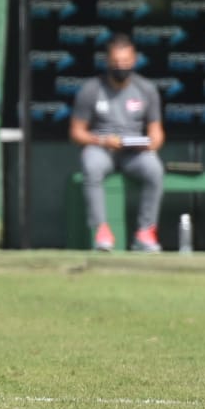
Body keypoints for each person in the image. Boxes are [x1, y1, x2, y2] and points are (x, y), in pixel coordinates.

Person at [69, 33, 165, 252]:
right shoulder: (92, 89)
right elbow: (76, 133)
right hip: (102, 147)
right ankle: (102, 232)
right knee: (91, 165)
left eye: (125, 62)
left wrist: (149, 144)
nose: (121, 66)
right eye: (116, 63)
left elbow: (157, 133)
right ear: (107, 62)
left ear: (134, 60)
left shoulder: (146, 89)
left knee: (154, 169)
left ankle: (145, 233)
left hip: (133, 152)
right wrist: (102, 139)